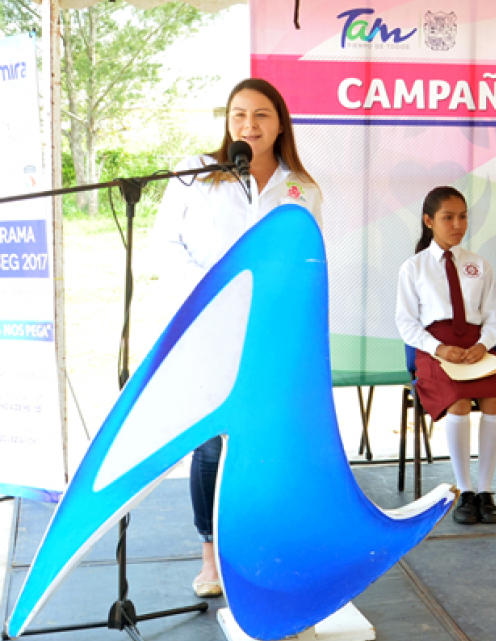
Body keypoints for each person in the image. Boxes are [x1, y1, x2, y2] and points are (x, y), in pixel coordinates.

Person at [152, 78, 323, 597]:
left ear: (280, 122)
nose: (249, 125)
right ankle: (211, 555)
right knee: (210, 444)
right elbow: (166, 244)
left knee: (265, 441)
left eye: (261, 115)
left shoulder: (302, 189)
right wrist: (209, 293)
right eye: (239, 115)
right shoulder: (197, 175)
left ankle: (256, 547)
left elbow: (307, 262)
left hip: (270, 335)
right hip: (207, 330)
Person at [395, 187, 496, 523]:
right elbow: (407, 324)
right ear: (428, 221)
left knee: (494, 402)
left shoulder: (478, 265)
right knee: (460, 403)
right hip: (435, 351)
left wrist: (483, 345)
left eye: (463, 216)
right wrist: (438, 349)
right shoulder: (414, 268)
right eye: (448, 217)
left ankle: (485, 491)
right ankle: (464, 490)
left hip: (475, 347)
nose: (457, 224)